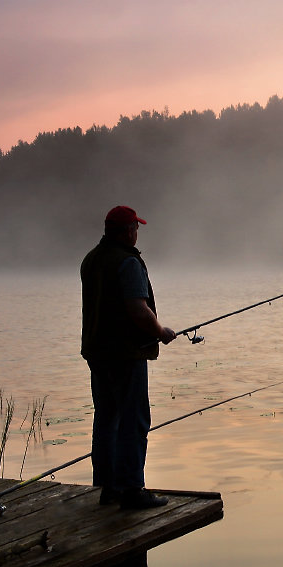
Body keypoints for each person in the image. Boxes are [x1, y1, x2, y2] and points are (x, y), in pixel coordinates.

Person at [81, 205, 177, 510]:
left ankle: (109, 488)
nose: (137, 232)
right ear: (127, 231)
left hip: (98, 352)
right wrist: (160, 331)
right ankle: (133, 489)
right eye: (135, 228)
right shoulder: (127, 263)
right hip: (125, 353)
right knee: (134, 420)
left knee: (107, 418)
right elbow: (137, 309)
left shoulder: (92, 259)